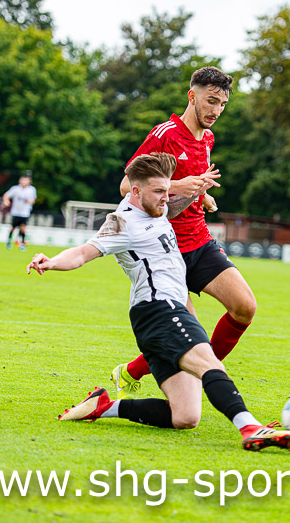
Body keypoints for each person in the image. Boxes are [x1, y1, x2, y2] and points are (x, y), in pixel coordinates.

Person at [27, 153, 290, 452]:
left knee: (185, 416)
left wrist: (197, 193)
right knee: (209, 363)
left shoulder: (155, 208)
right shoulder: (122, 222)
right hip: (160, 310)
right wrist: (51, 262)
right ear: (135, 191)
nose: (165, 197)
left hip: (156, 317)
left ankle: (105, 406)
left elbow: (170, 207)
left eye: (167, 190)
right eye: (159, 191)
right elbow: (83, 252)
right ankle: (250, 428)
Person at [110, 66, 257, 400]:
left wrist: (201, 195)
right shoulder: (164, 134)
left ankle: (134, 371)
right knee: (190, 337)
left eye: (222, 104)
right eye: (211, 101)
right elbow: (126, 187)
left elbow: (193, 179)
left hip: (199, 240)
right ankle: (210, 377)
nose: (216, 110)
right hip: (165, 249)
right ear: (192, 96)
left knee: (245, 306)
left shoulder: (208, 139)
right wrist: (178, 185)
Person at [3, 174, 37, 251]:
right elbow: (6, 195)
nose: (24, 182)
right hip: (15, 212)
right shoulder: (15, 188)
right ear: (20, 181)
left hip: (25, 212)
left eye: (26, 180)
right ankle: (9, 241)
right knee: (13, 228)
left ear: (29, 182)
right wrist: (6, 201)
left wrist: (29, 201)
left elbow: (33, 201)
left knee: (23, 228)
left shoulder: (32, 190)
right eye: (23, 180)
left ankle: (22, 244)